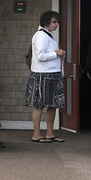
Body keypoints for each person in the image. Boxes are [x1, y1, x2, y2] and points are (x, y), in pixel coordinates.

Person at [27, 10, 66, 143]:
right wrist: (56, 53)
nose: (57, 24)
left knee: (53, 104)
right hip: (42, 75)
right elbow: (40, 56)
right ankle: (36, 134)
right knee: (39, 104)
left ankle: (50, 133)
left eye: (57, 22)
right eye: (54, 22)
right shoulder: (40, 36)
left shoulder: (49, 35)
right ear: (46, 22)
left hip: (53, 73)